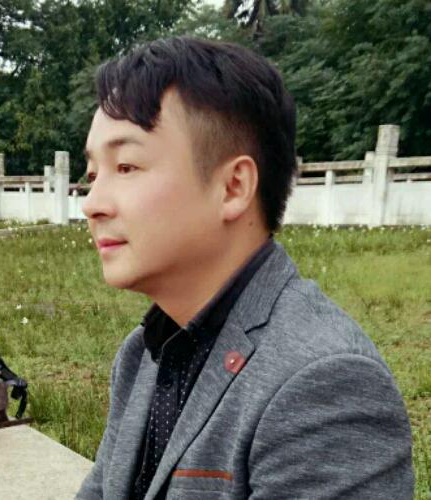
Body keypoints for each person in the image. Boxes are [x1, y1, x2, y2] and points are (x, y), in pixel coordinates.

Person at [76, 36, 413, 500]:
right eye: (93, 175)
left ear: (233, 187)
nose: (91, 204)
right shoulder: (143, 355)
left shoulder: (324, 384)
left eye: (127, 166)